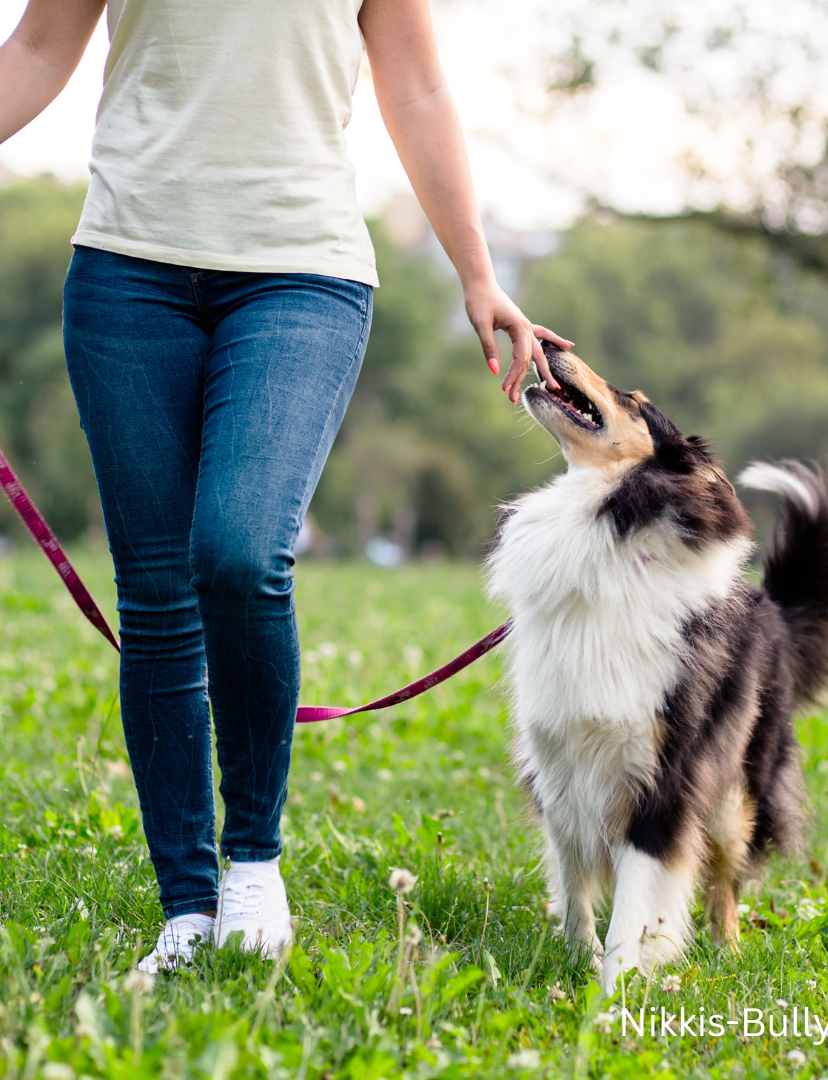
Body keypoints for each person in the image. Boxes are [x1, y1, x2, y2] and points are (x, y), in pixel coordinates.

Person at [0, 0, 570, 973]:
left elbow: (417, 85)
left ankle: (252, 863)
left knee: (236, 546)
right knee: (158, 598)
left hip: (300, 275)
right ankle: (186, 905)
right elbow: (39, 49)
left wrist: (478, 272)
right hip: (126, 272)